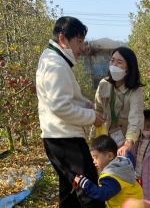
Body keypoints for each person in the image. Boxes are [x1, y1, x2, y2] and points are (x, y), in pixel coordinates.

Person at [36, 16, 106, 208]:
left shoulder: (53, 60)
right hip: (65, 139)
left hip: (57, 137)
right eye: (79, 41)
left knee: (70, 192)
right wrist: (92, 117)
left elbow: (63, 98)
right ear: (62, 39)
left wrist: (84, 104)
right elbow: (60, 107)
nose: (82, 48)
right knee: (89, 189)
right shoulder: (56, 66)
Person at [90, 47, 145, 156]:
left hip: (125, 140)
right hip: (106, 137)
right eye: (112, 60)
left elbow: (136, 116)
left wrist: (129, 141)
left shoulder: (135, 90)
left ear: (128, 69)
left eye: (119, 62)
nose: (114, 65)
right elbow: (98, 110)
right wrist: (93, 133)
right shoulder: (103, 84)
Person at [74, 135, 143, 207]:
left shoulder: (112, 176)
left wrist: (85, 183)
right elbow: (130, 159)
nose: (94, 161)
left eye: (96, 157)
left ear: (109, 156)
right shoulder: (123, 165)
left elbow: (103, 194)